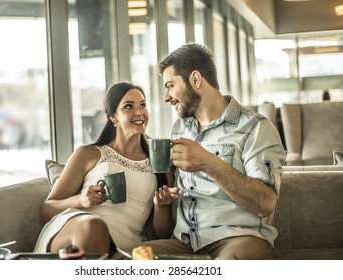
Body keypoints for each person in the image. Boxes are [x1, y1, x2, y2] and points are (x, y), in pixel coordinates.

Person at [115, 43, 286, 260]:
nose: (166, 96)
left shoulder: (255, 128)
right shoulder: (179, 128)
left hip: (239, 239)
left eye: (170, 86)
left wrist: (208, 162)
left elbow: (266, 204)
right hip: (185, 243)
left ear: (195, 79)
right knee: (124, 260)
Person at [34, 82, 179, 256]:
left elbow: (162, 234)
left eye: (142, 105)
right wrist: (81, 200)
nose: (139, 112)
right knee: (95, 226)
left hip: (123, 244)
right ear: (113, 118)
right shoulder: (88, 154)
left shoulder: (160, 164)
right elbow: (47, 209)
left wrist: (161, 207)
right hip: (76, 229)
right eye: (128, 106)